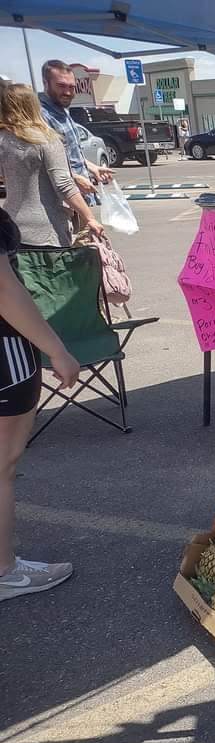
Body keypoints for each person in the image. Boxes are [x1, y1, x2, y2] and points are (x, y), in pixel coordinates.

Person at [0, 207, 80, 601]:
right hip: (6, 354)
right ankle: (3, 571)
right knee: (2, 466)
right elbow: (3, 288)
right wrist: (56, 349)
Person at [0, 83, 105, 247]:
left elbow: (10, 178)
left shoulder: (3, 140)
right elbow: (63, 184)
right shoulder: (45, 139)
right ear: (32, 105)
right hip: (46, 230)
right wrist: (89, 217)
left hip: (12, 227)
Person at [38, 60, 113, 204]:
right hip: (64, 203)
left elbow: (69, 154)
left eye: (71, 87)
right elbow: (44, 163)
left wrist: (92, 167)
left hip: (80, 197)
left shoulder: (62, 110)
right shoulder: (40, 116)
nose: (67, 92)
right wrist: (75, 178)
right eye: (61, 86)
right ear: (46, 83)